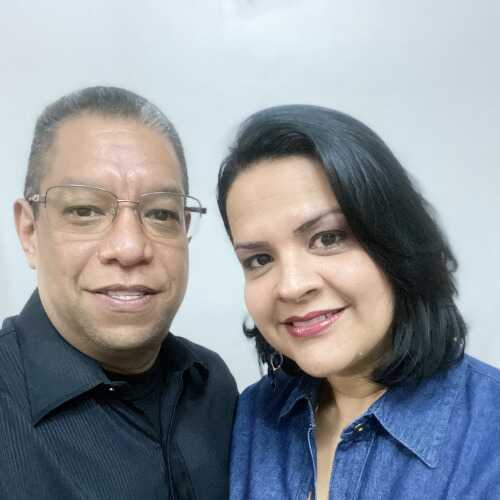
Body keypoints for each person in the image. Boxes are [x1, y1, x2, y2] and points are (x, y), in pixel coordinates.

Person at [216, 105, 500, 499]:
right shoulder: (252, 415)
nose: (291, 286)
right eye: (260, 259)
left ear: (397, 240)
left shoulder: (490, 433)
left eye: (328, 238)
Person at [0, 86, 237, 500]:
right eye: (85, 211)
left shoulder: (210, 384)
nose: (130, 248)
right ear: (30, 231)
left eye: (160, 213)